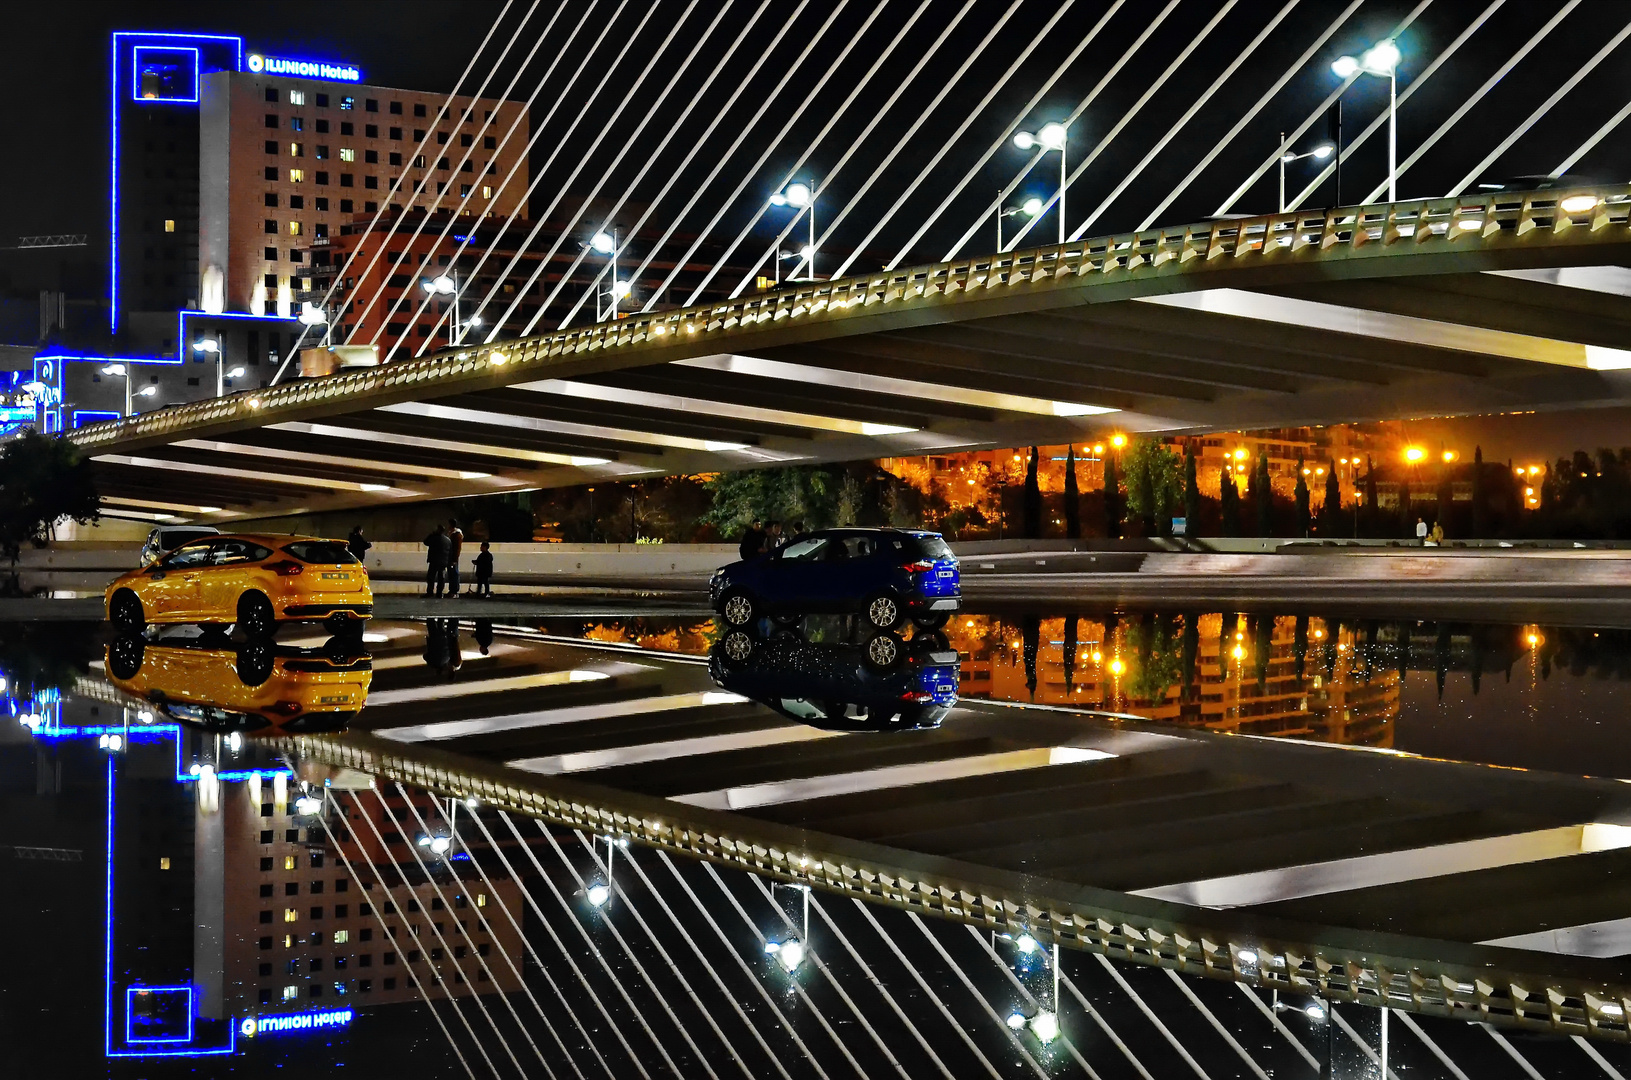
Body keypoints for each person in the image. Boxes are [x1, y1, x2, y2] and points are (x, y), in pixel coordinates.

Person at [424, 523, 449, 597]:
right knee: (441, 578)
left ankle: (430, 592)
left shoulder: (433, 538)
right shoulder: (447, 540)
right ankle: (439, 593)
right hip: (443, 562)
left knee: (431, 577)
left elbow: (425, 542)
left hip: (434, 560)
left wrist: (431, 534)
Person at [445, 518, 465, 597]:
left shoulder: (456, 535)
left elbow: (457, 548)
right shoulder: (452, 533)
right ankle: (452, 590)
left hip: (453, 558)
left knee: (454, 574)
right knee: (451, 573)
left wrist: (455, 559)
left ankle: (454, 591)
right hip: (450, 557)